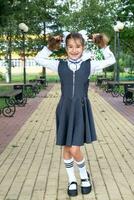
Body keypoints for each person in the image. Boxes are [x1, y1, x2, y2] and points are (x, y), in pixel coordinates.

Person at [34, 32, 116, 197]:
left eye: (78, 46)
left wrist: (102, 44)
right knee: (66, 146)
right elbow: (38, 59)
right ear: (65, 48)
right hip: (64, 109)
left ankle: (84, 175)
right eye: (70, 46)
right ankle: (72, 179)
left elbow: (111, 60)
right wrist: (50, 46)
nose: (74, 50)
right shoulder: (60, 64)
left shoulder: (89, 64)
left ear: (83, 47)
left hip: (80, 108)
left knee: (74, 148)